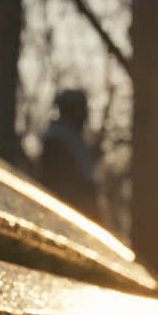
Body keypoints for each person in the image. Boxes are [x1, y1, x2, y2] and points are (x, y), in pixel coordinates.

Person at [38, 89, 100, 221]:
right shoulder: (56, 140)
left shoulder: (75, 140)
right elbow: (58, 185)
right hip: (66, 215)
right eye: (81, 109)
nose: (85, 115)